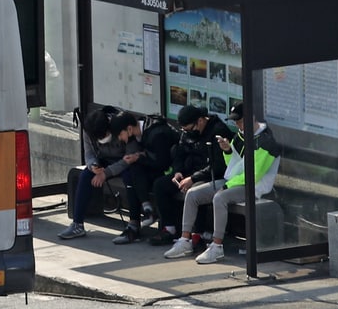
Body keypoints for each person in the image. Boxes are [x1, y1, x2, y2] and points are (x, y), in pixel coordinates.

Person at [163, 102, 281, 263]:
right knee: (192, 194)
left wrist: (226, 186)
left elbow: (253, 175)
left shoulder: (266, 141)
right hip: (232, 182)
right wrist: (227, 150)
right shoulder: (241, 134)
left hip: (254, 186)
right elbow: (232, 164)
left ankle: (216, 246)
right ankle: (184, 241)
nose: (238, 125)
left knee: (220, 198)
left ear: (252, 118)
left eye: (240, 121)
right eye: (235, 122)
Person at [148, 104, 235, 246]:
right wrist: (178, 171)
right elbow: (179, 153)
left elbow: (218, 165)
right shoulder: (187, 132)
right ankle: (169, 227)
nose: (189, 132)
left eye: (191, 129)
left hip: (209, 175)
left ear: (200, 121)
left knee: (195, 190)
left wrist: (193, 178)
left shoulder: (217, 131)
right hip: (189, 171)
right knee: (160, 185)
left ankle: (197, 233)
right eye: (185, 130)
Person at [108, 112, 178, 244]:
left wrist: (139, 157)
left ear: (129, 129)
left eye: (120, 135)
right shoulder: (143, 130)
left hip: (172, 171)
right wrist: (140, 157)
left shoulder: (157, 134)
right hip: (159, 168)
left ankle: (144, 217)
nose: (121, 139)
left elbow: (163, 163)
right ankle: (142, 215)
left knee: (137, 168)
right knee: (132, 171)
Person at [57, 106, 126, 240]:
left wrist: (106, 173)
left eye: (104, 136)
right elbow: (89, 153)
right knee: (85, 175)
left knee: (131, 177)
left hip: (123, 162)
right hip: (103, 161)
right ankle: (77, 224)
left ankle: (134, 226)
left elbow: (128, 159)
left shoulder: (119, 124)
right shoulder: (89, 129)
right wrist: (93, 165)